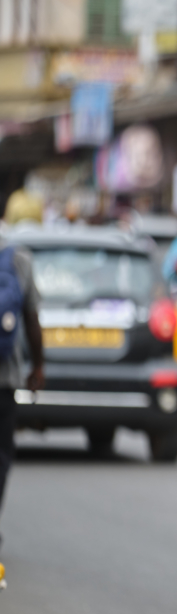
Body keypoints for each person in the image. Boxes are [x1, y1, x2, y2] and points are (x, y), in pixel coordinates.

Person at [0, 223, 45, 555]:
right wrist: (38, 366)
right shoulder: (18, 259)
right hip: (6, 376)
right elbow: (31, 318)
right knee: (1, 454)